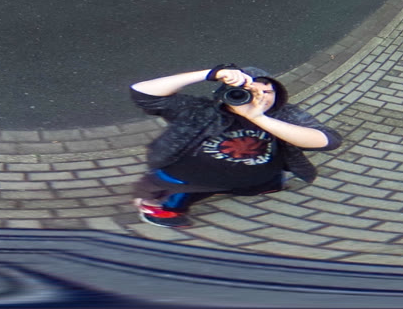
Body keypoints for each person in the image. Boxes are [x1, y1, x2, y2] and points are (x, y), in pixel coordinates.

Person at [127, 63, 341, 228]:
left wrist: (258, 118)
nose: (259, 97)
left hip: (260, 175)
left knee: (263, 184)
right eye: (248, 91)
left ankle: (256, 185)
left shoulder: (282, 114)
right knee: (173, 201)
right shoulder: (201, 110)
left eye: (267, 92)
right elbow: (143, 93)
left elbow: (328, 141)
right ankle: (162, 209)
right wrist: (212, 73)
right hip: (195, 177)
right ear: (226, 94)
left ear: (278, 96)